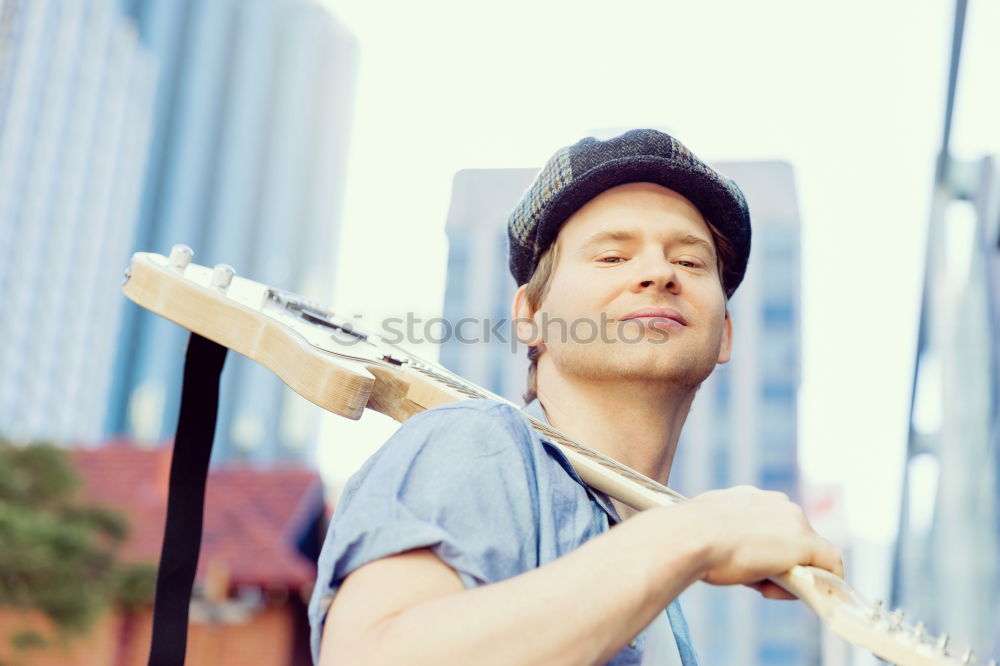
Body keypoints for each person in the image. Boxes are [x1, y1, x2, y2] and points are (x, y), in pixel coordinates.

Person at [307, 129, 844, 665]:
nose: (659, 273)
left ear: (724, 332)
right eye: (612, 256)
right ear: (530, 316)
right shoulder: (476, 440)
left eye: (689, 262)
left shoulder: (658, 596)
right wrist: (694, 533)